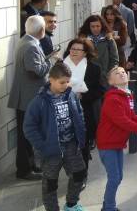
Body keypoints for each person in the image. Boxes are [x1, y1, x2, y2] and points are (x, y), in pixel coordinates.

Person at [22, 62, 87, 211]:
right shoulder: (39, 101)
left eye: (67, 81)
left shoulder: (71, 95)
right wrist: (42, 146)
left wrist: (81, 135)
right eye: (61, 82)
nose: (65, 85)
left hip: (71, 144)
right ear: (51, 79)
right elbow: (29, 127)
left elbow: (79, 114)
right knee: (50, 183)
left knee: (79, 174)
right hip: (51, 150)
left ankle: (71, 204)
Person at [96, 66, 137, 211]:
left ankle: (107, 206)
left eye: (123, 72)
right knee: (114, 178)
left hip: (117, 143)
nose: (122, 74)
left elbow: (131, 117)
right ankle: (109, 208)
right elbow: (124, 122)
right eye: (117, 73)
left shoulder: (127, 95)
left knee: (118, 177)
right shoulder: (112, 99)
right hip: (107, 144)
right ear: (111, 81)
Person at [9, 15, 54, 180]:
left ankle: (30, 165)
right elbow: (36, 70)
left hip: (26, 96)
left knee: (28, 134)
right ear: (41, 30)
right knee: (26, 135)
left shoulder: (27, 40)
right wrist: (49, 61)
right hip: (27, 98)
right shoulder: (30, 45)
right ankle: (24, 170)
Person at [63, 38, 104, 169]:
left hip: (84, 109)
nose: (74, 51)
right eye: (72, 48)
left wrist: (83, 95)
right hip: (63, 109)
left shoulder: (94, 68)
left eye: (78, 49)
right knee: (67, 143)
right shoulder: (61, 66)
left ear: (85, 53)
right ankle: (71, 171)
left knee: (83, 143)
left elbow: (99, 90)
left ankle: (82, 173)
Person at [78, 15, 119, 87]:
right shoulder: (83, 40)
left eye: (98, 26)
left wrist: (109, 74)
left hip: (104, 78)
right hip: (87, 77)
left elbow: (114, 59)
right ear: (89, 27)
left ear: (102, 26)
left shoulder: (108, 39)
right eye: (93, 26)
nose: (95, 29)